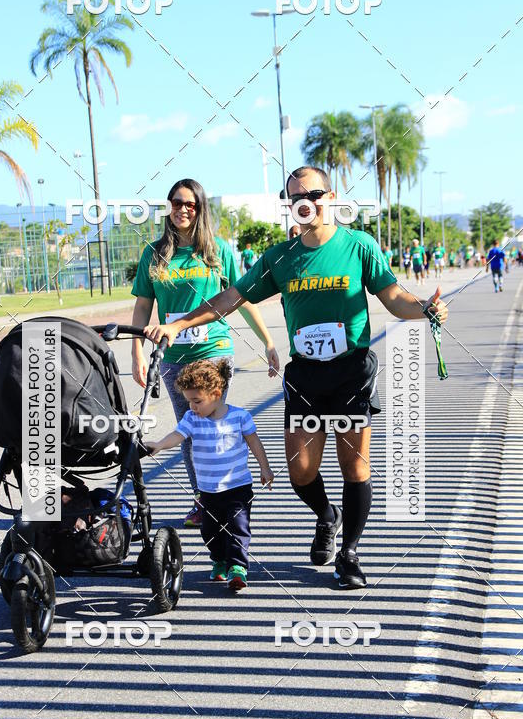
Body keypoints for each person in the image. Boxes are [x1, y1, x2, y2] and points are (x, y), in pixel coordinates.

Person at [145, 165, 448, 590]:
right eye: (296, 197)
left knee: (354, 467)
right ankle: (327, 515)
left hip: (350, 371)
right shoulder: (280, 257)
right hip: (305, 374)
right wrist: (178, 324)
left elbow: (395, 298)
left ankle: (349, 554)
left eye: (313, 194)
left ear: (331, 197)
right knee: (300, 472)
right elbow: (231, 297)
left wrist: (425, 308)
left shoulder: (359, 246)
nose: (305, 203)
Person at [130, 177, 278, 528]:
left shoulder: (218, 251)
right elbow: (142, 306)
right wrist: (137, 353)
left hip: (214, 351)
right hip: (173, 356)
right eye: (176, 203)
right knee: (189, 428)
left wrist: (268, 341)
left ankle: (225, 496)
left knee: (210, 424)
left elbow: (241, 298)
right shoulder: (154, 253)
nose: (182, 210)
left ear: (200, 210)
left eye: (190, 204)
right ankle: (203, 499)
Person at [145, 359, 274, 591]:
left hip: (238, 487)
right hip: (207, 490)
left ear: (216, 394)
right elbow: (177, 436)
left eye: (197, 401)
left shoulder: (240, 416)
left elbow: (254, 442)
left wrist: (265, 467)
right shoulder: (192, 419)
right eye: (189, 401)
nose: (192, 407)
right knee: (210, 531)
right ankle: (219, 560)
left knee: (238, 527)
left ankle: (238, 567)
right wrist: (159, 445)